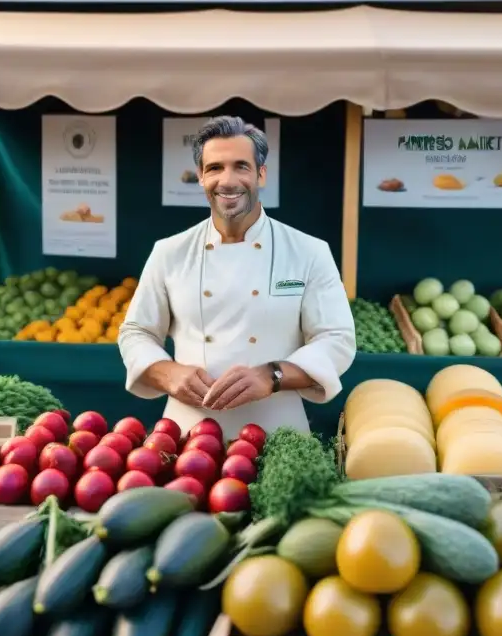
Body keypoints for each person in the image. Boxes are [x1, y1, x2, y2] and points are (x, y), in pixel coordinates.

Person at [118, 116, 356, 435]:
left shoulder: (309, 252)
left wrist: (272, 375)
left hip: (278, 434)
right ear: (201, 177)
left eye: (241, 166)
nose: (228, 181)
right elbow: (136, 331)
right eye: (215, 168)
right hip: (187, 435)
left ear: (261, 174)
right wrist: (166, 372)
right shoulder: (169, 252)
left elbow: (336, 337)